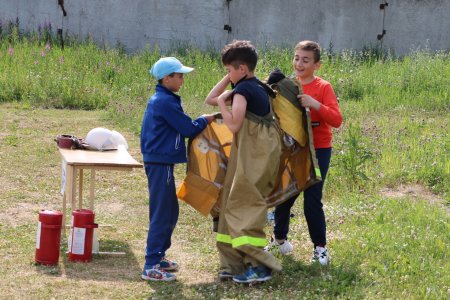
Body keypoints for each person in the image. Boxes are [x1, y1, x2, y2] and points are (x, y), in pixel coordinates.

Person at [205, 40, 282, 284]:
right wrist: (230, 78)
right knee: (230, 203)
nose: (227, 75)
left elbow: (234, 124)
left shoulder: (245, 91)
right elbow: (211, 98)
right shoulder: (254, 86)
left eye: (229, 70)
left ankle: (260, 266)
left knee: (243, 206)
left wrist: (222, 104)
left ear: (242, 68)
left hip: (255, 158)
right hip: (255, 156)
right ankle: (233, 264)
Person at [265, 40, 342, 265]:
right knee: (285, 194)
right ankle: (280, 241)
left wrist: (314, 104)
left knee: (312, 199)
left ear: (317, 65)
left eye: (305, 60)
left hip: (319, 150)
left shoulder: (323, 87)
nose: (299, 63)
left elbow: (336, 120)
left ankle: (320, 249)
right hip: (293, 150)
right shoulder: (288, 86)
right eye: (297, 58)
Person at [140, 57, 215, 281]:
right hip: (159, 163)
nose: (182, 80)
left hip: (163, 162)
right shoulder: (164, 102)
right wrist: (205, 119)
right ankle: (150, 264)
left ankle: (159, 255)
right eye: (179, 76)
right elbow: (187, 128)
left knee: (170, 210)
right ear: (166, 78)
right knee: (162, 213)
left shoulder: (165, 99)